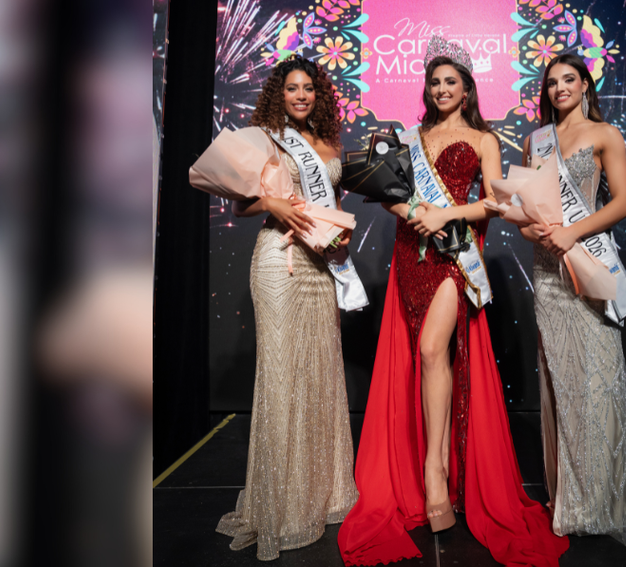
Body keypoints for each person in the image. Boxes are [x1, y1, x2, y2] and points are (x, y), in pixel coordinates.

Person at [338, 37, 570, 566]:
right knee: (424, 355)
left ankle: (436, 473)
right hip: (410, 252)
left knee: (429, 350)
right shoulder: (410, 136)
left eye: (451, 82)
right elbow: (390, 192)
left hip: (454, 255)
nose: (442, 89)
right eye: (435, 82)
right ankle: (430, 471)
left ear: (467, 90)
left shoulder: (483, 138)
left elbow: (493, 201)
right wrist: (410, 213)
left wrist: (444, 216)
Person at [519, 53, 626, 549]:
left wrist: (572, 231)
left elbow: (622, 202)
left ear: (585, 84)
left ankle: (608, 497)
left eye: (569, 79)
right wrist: (533, 227)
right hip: (548, 271)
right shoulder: (535, 140)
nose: (560, 88)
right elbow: (527, 203)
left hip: (587, 262)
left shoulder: (604, 135)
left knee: (599, 380)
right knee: (562, 383)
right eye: (551, 82)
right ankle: (572, 499)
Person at [215, 55, 359, 560]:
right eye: (292, 88)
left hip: (319, 269)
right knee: (280, 377)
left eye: (309, 89)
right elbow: (240, 203)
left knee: (318, 374)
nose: (301, 96)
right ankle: (277, 505)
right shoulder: (267, 137)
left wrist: (339, 241)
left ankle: (319, 492)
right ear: (281, 94)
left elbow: (328, 205)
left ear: (319, 95)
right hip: (279, 263)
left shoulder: (330, 144)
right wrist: (272, 204)